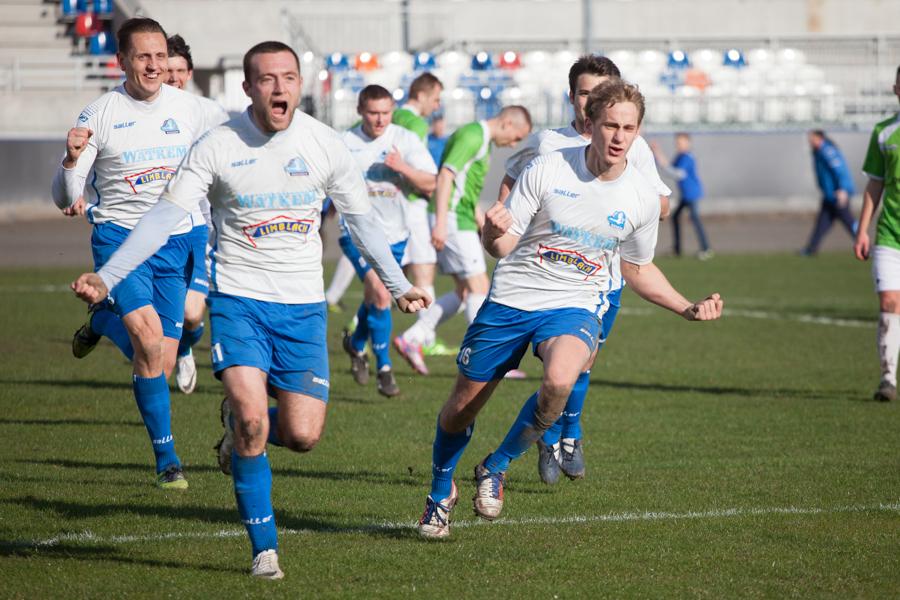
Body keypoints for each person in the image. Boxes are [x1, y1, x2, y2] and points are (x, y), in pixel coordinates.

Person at [69, 41, 430, 578]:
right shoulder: (217, 145)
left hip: (304, 310)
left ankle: (233, 435)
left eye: (288, 77)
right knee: (255, 421)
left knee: (303, 435)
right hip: (239, 303)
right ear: (248, 88)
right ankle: (265, 550)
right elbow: (163, 217)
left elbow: (363, 222)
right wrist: (109, 275)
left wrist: (398, 284)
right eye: (267, 78)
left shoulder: (325, 145)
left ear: (300, 85)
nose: (279, 87)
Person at [417, 79, 723, 540]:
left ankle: (495, 466)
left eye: (629, 128)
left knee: (560, 381)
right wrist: (490, 232)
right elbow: (505, 245)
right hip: (513, 298)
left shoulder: (641, 196)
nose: (619, 137)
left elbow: (638, 269)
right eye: (610, 125)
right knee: (461, 408)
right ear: (591, 124)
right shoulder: (548, 169)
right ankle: (441, 491)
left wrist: (686, 307)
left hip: (576, 303)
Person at [51, 17, 221, 490]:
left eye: (159, 55)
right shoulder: (99, 114)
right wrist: (70, 162)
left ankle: (102, 321)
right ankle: (168, 461)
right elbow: (66, 196)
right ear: (121, 61)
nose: (153, 65)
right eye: (143, 57)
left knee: (160, 364)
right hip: (120, 241)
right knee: (147, 344)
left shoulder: (193, 110)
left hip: (179, 242)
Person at [497, 54, 672, 485]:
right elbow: (511, 180)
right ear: (572, 97)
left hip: (606, 276)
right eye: (585, 93)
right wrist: (505, 220)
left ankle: (568, 433)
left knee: (584, 362)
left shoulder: (633, 145)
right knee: (560, 366)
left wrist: (643, 204)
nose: (592, 100)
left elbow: (659, 201)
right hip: (545, 278)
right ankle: (551, 434)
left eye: (601, 91)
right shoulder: (547, 144)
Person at [393, 106, 532, 375]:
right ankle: (485, 358)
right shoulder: (472, 137)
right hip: (454, 220)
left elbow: (465, 191)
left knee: (464, 292)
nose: (515, 143)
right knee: (480, 285)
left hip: (460, 218)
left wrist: (483, 224)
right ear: (506, 122)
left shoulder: (481, 141)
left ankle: (412, 339)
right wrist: (442, 223)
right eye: (517, 136)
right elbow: (445, 177)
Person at [340, 85, 437, 396]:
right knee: (382, 294)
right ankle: (384, 367)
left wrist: (402, 168)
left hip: (395, 235)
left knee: (375, 297)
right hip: (354, 232)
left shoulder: (405, 140)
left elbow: (432, 183)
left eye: (385, 112)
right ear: (359, 111)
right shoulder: (344, 143)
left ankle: (356, 344)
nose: (379, 120)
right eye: (372, 113)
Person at [165, 34, 230, 393]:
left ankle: (186, 349)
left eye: (179, 70)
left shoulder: (210, 113)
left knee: (192, 314)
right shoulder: (143, 113)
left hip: (201, 228)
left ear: (189, 73)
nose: (173, 77)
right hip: (156, 229)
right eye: (167, 70)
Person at [855, 65, 900, 402]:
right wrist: (862, 230)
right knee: (889, 301)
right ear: (896, 88)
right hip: (889, 235)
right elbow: (875, 183)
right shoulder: (885, 133)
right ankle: (888, 378)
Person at [651, 132, 712, 259]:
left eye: (680, 142)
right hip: (686, 195)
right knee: (676, 217)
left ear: (688, 143)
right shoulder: (680, 156)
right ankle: (677, 249)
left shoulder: (687, 157)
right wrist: (656, 153)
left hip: (692, 194)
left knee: (695, 220)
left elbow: (677, 174)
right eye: (677, 142)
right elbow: (668, 167)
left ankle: (706, 249)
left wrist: (658, 157)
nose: (678, 145)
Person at [801, 129, 857, 256]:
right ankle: (811, 249)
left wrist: (843, 190)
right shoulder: (817, 152)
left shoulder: (828, 151)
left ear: (819, 138)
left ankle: (865, 246)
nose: (809, 140)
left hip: (838, 195)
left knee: (850, 222)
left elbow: (841, 171)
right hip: (829, 196)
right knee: (821, 224)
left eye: (811, 138)